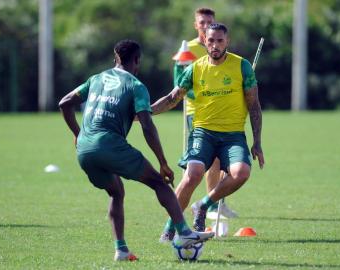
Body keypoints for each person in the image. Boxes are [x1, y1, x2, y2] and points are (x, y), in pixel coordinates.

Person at [58, 40, 214, 261]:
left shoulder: (96, 78)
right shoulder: (136, 86)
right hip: (109, 144)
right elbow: (147, 126)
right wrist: (162, 162)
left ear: (115, 58)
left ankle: (121, 250)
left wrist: (79, 134)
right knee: (159, 182)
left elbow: (64, 103)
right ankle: (185, 232)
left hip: (84, 150)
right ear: (137, 61)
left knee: (116, 192)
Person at [153, 23, 265, 240]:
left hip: (233, 135)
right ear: (204, 40)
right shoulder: (195, 68)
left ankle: (203, 206)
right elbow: (171, 99)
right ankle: (170, 226)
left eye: (220, 41)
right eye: (211, 40)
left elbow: (254, 105)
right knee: (192, 175)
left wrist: (257, 142)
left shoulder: (242, 67)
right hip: (203, 132)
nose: (215, 45)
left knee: (241, 173)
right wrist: (146, 112)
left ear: (227, 42)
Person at [174, 7, 239, 221]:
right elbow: (179, 83)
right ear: (196, 25)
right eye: (201, 22)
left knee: (219, 161)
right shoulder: (188, 49)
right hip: (197, 112)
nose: (204, 26)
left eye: (208, 22)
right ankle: (205, 207)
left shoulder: (218, 44)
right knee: (203, 165)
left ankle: (215, 202)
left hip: (222, 112)